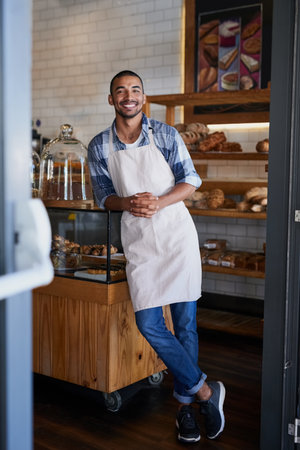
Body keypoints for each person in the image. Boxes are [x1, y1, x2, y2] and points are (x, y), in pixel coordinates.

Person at [88, 70, 225, 443]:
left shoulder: (165, 134)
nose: (128, 96)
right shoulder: (99, 145)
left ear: (143, 98)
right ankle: (205, 392)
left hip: (176, 236)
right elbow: (103, 197)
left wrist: (158, 201)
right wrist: (129, 202)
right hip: (140, 243)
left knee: (185, 327)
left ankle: (186, 413)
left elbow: (191, 179)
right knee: (149, 323)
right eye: (120, 90)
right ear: (111, 99)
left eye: (135, 90)